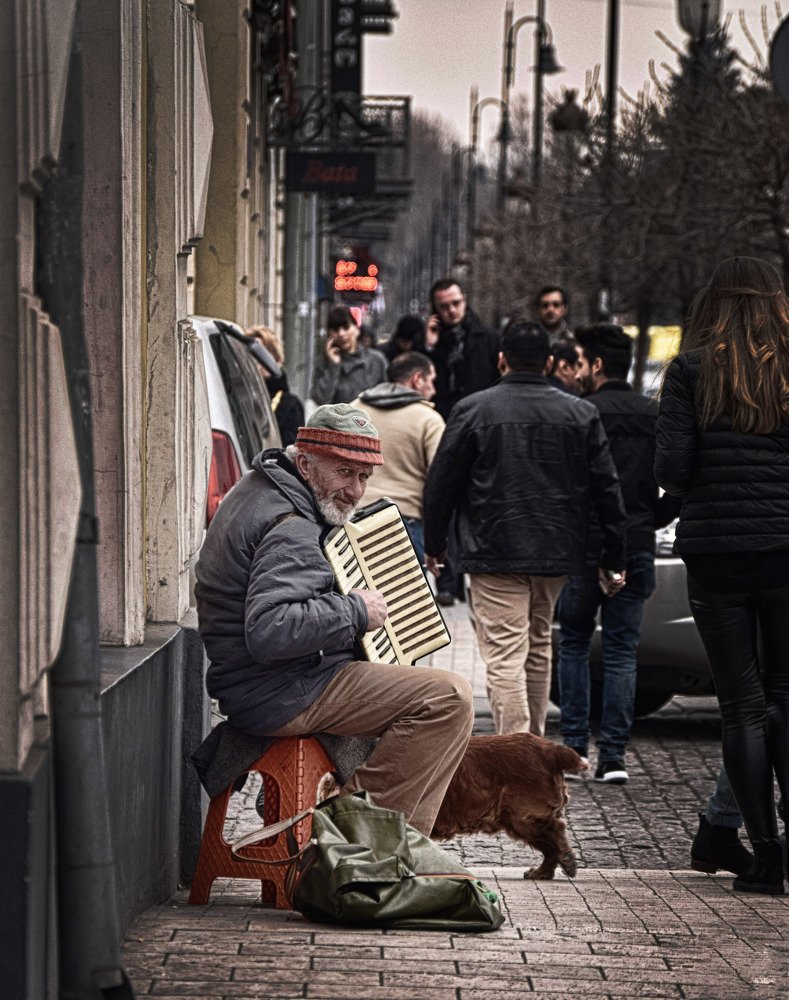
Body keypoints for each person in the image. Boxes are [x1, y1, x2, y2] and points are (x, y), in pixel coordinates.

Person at [194, 403, 474, 836]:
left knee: (409, 676)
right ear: (305, 463)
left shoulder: (261, 489)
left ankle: (397, 847)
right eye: (345, 472)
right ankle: (352, 836)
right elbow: (270, 629)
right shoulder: (291, 524)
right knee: (448, 699)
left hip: (265, 682)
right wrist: (356, 610)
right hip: (280, 690)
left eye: (364, 477)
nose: (357, 491)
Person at [655, 255, 789, 896]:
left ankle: (764, 856)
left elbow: (673, 470)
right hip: (786, 548)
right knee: (786, 697)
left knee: (742, 704)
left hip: (716, 550)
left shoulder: (690, 370)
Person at [424, 320, 627, 738]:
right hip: (556, 550)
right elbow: (607, 490)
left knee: (504, 657)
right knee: (537, 647)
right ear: (550, 363)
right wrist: (614, 555)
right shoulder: (580, 412)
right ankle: (531, 748)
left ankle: (517, 756)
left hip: (493, 547)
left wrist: (435, 545)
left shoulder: (473, 409)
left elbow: (442, 483)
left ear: (501, 360)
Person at [556, 324, 681, 784]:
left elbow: (567, 484)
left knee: (572, 642)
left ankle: (571, 749)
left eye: (583, 362)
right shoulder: (653, 415)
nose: (579, 370)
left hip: (586, 546)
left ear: (597, 364)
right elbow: (679, 478)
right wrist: (651, 515)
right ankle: (613, 757)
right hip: (638, 544)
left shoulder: (581, 412)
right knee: (623, 651)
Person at [423, 277, 501, 605]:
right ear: (436, 310)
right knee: (447, 501)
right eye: (445, 306)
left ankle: (474, 577)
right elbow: (425, 377)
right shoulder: (436, 343)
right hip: (444, 428)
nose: (453, 310)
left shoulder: (486, 338)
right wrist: (430, 346)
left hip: (480, 429)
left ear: (465, 301)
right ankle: (450, 580)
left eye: (456, 303)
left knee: (480, 502)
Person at [352, 352, 445, 566]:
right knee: (406, 597)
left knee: (359, 597)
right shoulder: (428, 419)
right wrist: (438, 539)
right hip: (406, 524)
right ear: (417, 379)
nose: (435, 389)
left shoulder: (354, 410)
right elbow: (440, 481)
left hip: (354, 518)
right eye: (432, 380)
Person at [310, 306, 387, 405]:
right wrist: (333, 365)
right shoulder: (324, 362)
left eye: (346, 328)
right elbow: (320, 399)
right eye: (335, 330)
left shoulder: (376, 360)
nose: (341, 334)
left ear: (356, 330)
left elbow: (387, 396)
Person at [246, 325, 304, 446]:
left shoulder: (289, 405)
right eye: (252, 356)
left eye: (263, 355)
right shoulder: (240, 395)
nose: (258, 362)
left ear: (277, 360)